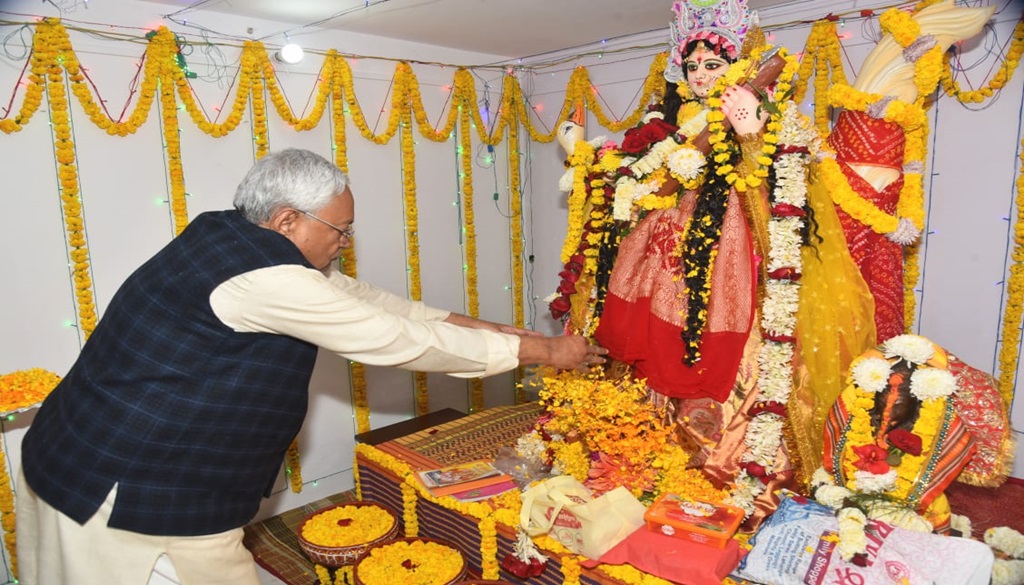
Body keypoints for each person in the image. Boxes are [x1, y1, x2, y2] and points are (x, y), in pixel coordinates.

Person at [16, 148, 607, 585]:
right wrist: (547, 352)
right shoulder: (266, 278)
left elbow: (374, 302)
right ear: (286, 221)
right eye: (339, 230)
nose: (344, 242)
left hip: (95, 450)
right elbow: (393, 339)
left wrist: (496, 330)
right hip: (126, 484)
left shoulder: (230, 233)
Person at [549, 0, 876, 527]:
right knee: (647, 335)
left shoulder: (768, 111)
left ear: (736, 66)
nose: (700, 76)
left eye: (712, 65)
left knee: (728, 342)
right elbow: (645, 177)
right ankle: (644, 451)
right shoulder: (670, 124)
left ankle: (726, 466)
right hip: (666, 249)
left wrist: (748, 133)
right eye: (693, 66)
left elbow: (793, 175)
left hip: (733, 250)